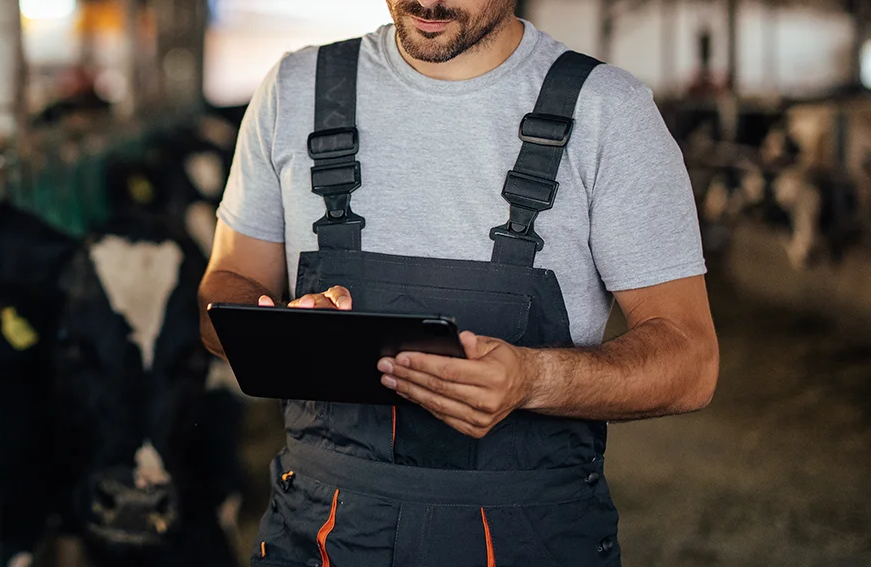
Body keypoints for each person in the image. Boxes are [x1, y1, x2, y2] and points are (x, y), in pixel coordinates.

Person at [198, 1, 719, 566]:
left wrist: (533, 379)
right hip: (322, 533)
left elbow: (690, 361)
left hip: (530, 538)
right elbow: (220, 293)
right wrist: (276, 325)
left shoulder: (608, 111)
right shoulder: (294, 91)